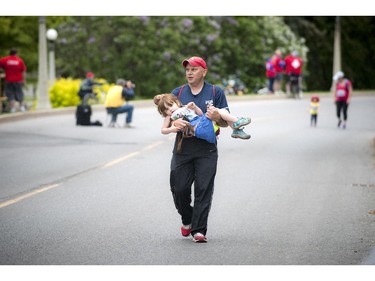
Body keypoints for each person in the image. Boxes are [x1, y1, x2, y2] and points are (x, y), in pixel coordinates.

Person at [166, 56, 236, 243]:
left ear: (204, 72)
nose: (189, 72)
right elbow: (168, 115)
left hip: (207, 150)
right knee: (179, 188)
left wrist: (216, 117)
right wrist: (175, 121)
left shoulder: (215, 92)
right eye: (187, 69)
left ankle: (199, 230)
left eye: (194, 69)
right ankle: (187, 219)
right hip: (183, 148)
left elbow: (225, 121)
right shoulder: (178, 92)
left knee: (204, 189)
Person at [153, 93, 251, 147]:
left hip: (202, 123)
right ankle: (236, 122)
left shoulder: (185, 107)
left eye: (170, 105)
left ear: (177, 102)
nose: (170, 109)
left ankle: (236, 128)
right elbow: (163, 130)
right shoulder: (169, 117)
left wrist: (194, 107)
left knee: (219, 111)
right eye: (166, 109)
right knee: (218, 110)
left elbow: (199, 113)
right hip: (198, 128)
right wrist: (172, 129)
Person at [0, 48, 27, 112]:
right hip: (18, 80)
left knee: (10, 94)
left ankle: (12, 108)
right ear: (16, 53)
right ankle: (22, 107)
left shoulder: (5, 60)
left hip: (8, 80)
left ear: (10, 53)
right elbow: (23, 71)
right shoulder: (19, 60)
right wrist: (24, 80)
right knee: (19, 93)